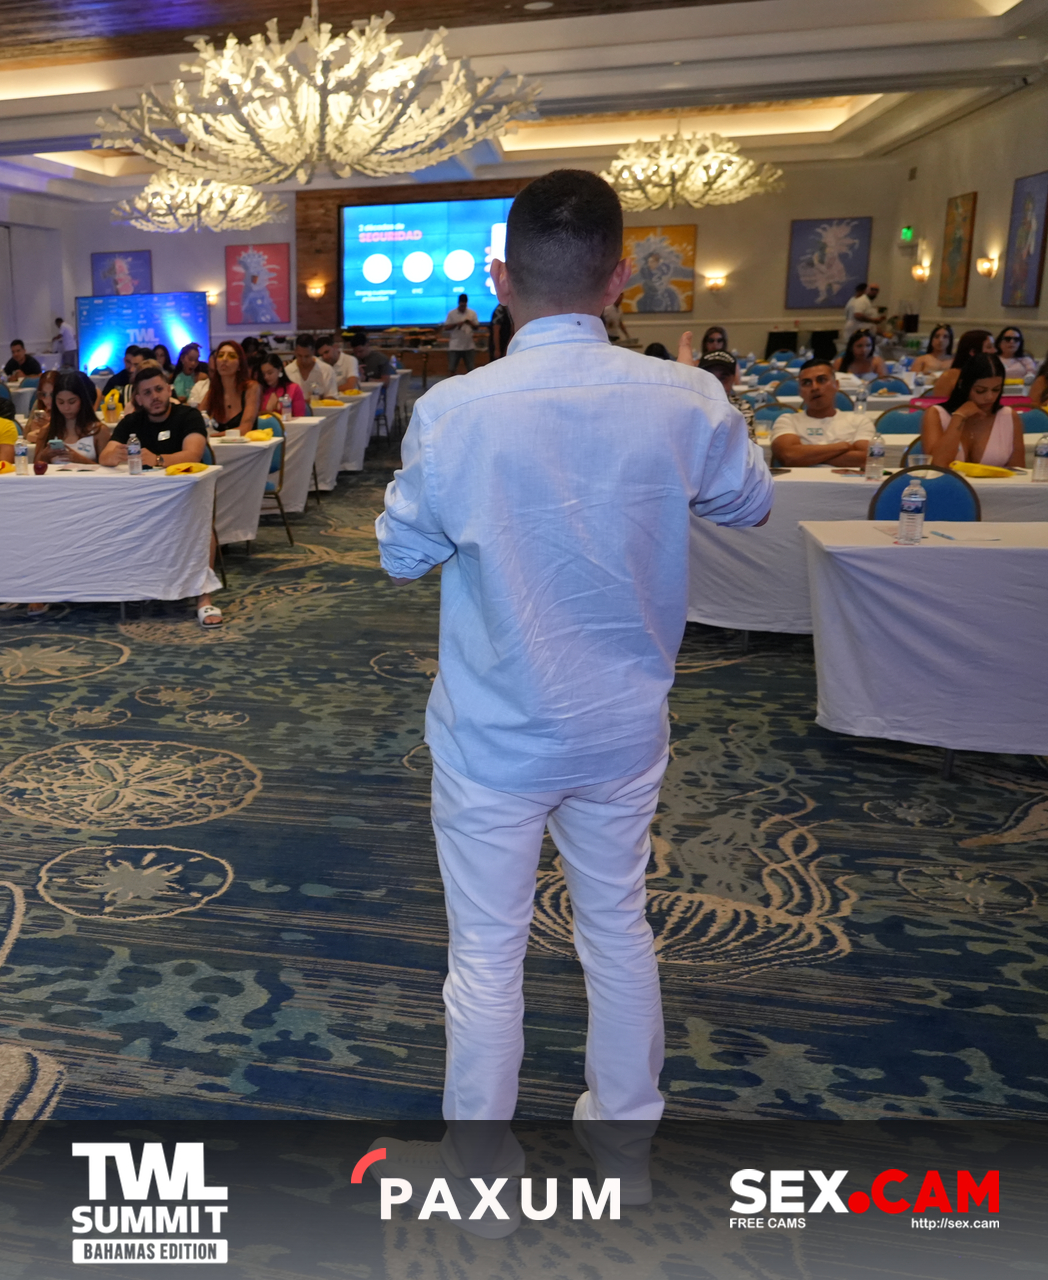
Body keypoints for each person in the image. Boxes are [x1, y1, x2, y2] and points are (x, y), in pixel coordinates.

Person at [374, 168, 772, 1129]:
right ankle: (625, 1129)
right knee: (618, 930)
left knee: (486, 956)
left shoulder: (454, 411)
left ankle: (479, 1166)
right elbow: (751, 503)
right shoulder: (688, 398)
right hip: (620, 727)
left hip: (494, 732)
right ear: (620, 277)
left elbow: (400, 555)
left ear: (500, 279)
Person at [101, 363, 221, 628]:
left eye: (158, 389)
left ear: (169, 390)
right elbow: (106, 456)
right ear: (138, 398)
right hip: (142, 502)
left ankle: (204, 596)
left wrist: (155, 459)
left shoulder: (188, 416)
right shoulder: (132, 422)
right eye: (147, 393)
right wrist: (116, 454)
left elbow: (193, 454)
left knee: (203, 525)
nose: (154, 396)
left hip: (185, 496)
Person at [925, 353, 1022, 469]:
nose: (990, 397)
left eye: (996, 389)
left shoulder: (1008, 416)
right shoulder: (936, 414)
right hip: (948, 481)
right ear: (963, 384)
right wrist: (959, 416)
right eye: (980, 390)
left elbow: (1018, 471)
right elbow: (937, 466)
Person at [772, 359, 875, 467]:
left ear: (836, 385)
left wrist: (806, 456)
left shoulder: (860, 421)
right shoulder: (787, 420)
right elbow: (789, 457)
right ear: (800, 392)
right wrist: (844, 446)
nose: (814, 387)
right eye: (806, 383)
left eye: (821, 380)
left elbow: (868, 459)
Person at [28, 370, 108, 465]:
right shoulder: (46, 431)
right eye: (61, 402)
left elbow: (107, 471)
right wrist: (44, 456)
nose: (66, 408)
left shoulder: (99, 431)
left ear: (82, 400)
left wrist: (79, 459)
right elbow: (36, 468)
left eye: (72, 402)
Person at [194, 339, 261, 435]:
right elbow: (195, 421)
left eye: (231, 356)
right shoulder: (213, 391)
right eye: (220, 355)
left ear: (240, 365)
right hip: (217, 444)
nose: (224, 359)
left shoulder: (251, 388)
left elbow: (245, 428)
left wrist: (213, 436)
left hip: (246, 444)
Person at [928, 330, 995, 398]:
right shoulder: (951, 376)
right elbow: (939, 402)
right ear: (973, 352)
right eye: (989, 347)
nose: (994, 351)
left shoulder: (993, 374)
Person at [696, 351, 755, 427]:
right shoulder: (691, 406)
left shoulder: (742, 408)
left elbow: (747, 434)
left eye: (723, 378)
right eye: (710, 377)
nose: (716, 385)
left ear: (733, 379)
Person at [256, 352, 306, 420]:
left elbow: (299, 417)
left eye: (270, 373)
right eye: (263, 374)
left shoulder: (294, 388)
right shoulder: (260, 390)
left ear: (280, 369)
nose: (266, 377)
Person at [287, 336, 338, 402]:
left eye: (307, 356)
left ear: (313, 352)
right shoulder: (287, 371)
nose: (303, 360)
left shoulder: (326, 370)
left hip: (320, 409)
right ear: (295, 352)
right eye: (299, 356)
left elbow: (332, 397)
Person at [443, 294, 478, 375]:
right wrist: (456, 324)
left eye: (464, 305)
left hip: (469, 346)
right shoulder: (452, 313)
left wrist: (469, 322)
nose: (463, 307)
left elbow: (476, 327)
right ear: (458, 303)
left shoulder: (472, 313)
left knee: (471, 369)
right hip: (455, 346)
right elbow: (446, 327)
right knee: (452, 368)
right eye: (461, 305)